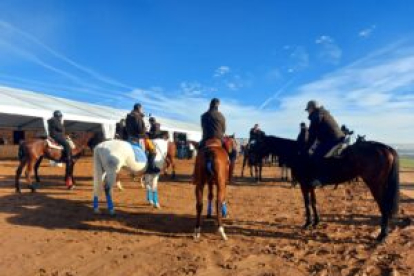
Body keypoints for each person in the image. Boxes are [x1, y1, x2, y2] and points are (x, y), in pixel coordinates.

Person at [304, 100, 345, 187]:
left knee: (316, 156)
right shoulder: (324, 113)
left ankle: (322, 179)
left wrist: (306, 147)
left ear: (312, 108)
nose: (307, 111)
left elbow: (312, 135)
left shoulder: (315, 116)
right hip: (338, 137)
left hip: (332, 139)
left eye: (308, 109)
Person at [125, 103, 159, 174]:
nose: (142, 110)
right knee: (153, 150)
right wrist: (145, 131)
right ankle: (151, 167)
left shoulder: (128, 116)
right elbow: (140, 129)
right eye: (142, 109)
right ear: (139, 108)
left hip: (129, 137)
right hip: (138, 138)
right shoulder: (137, 116)